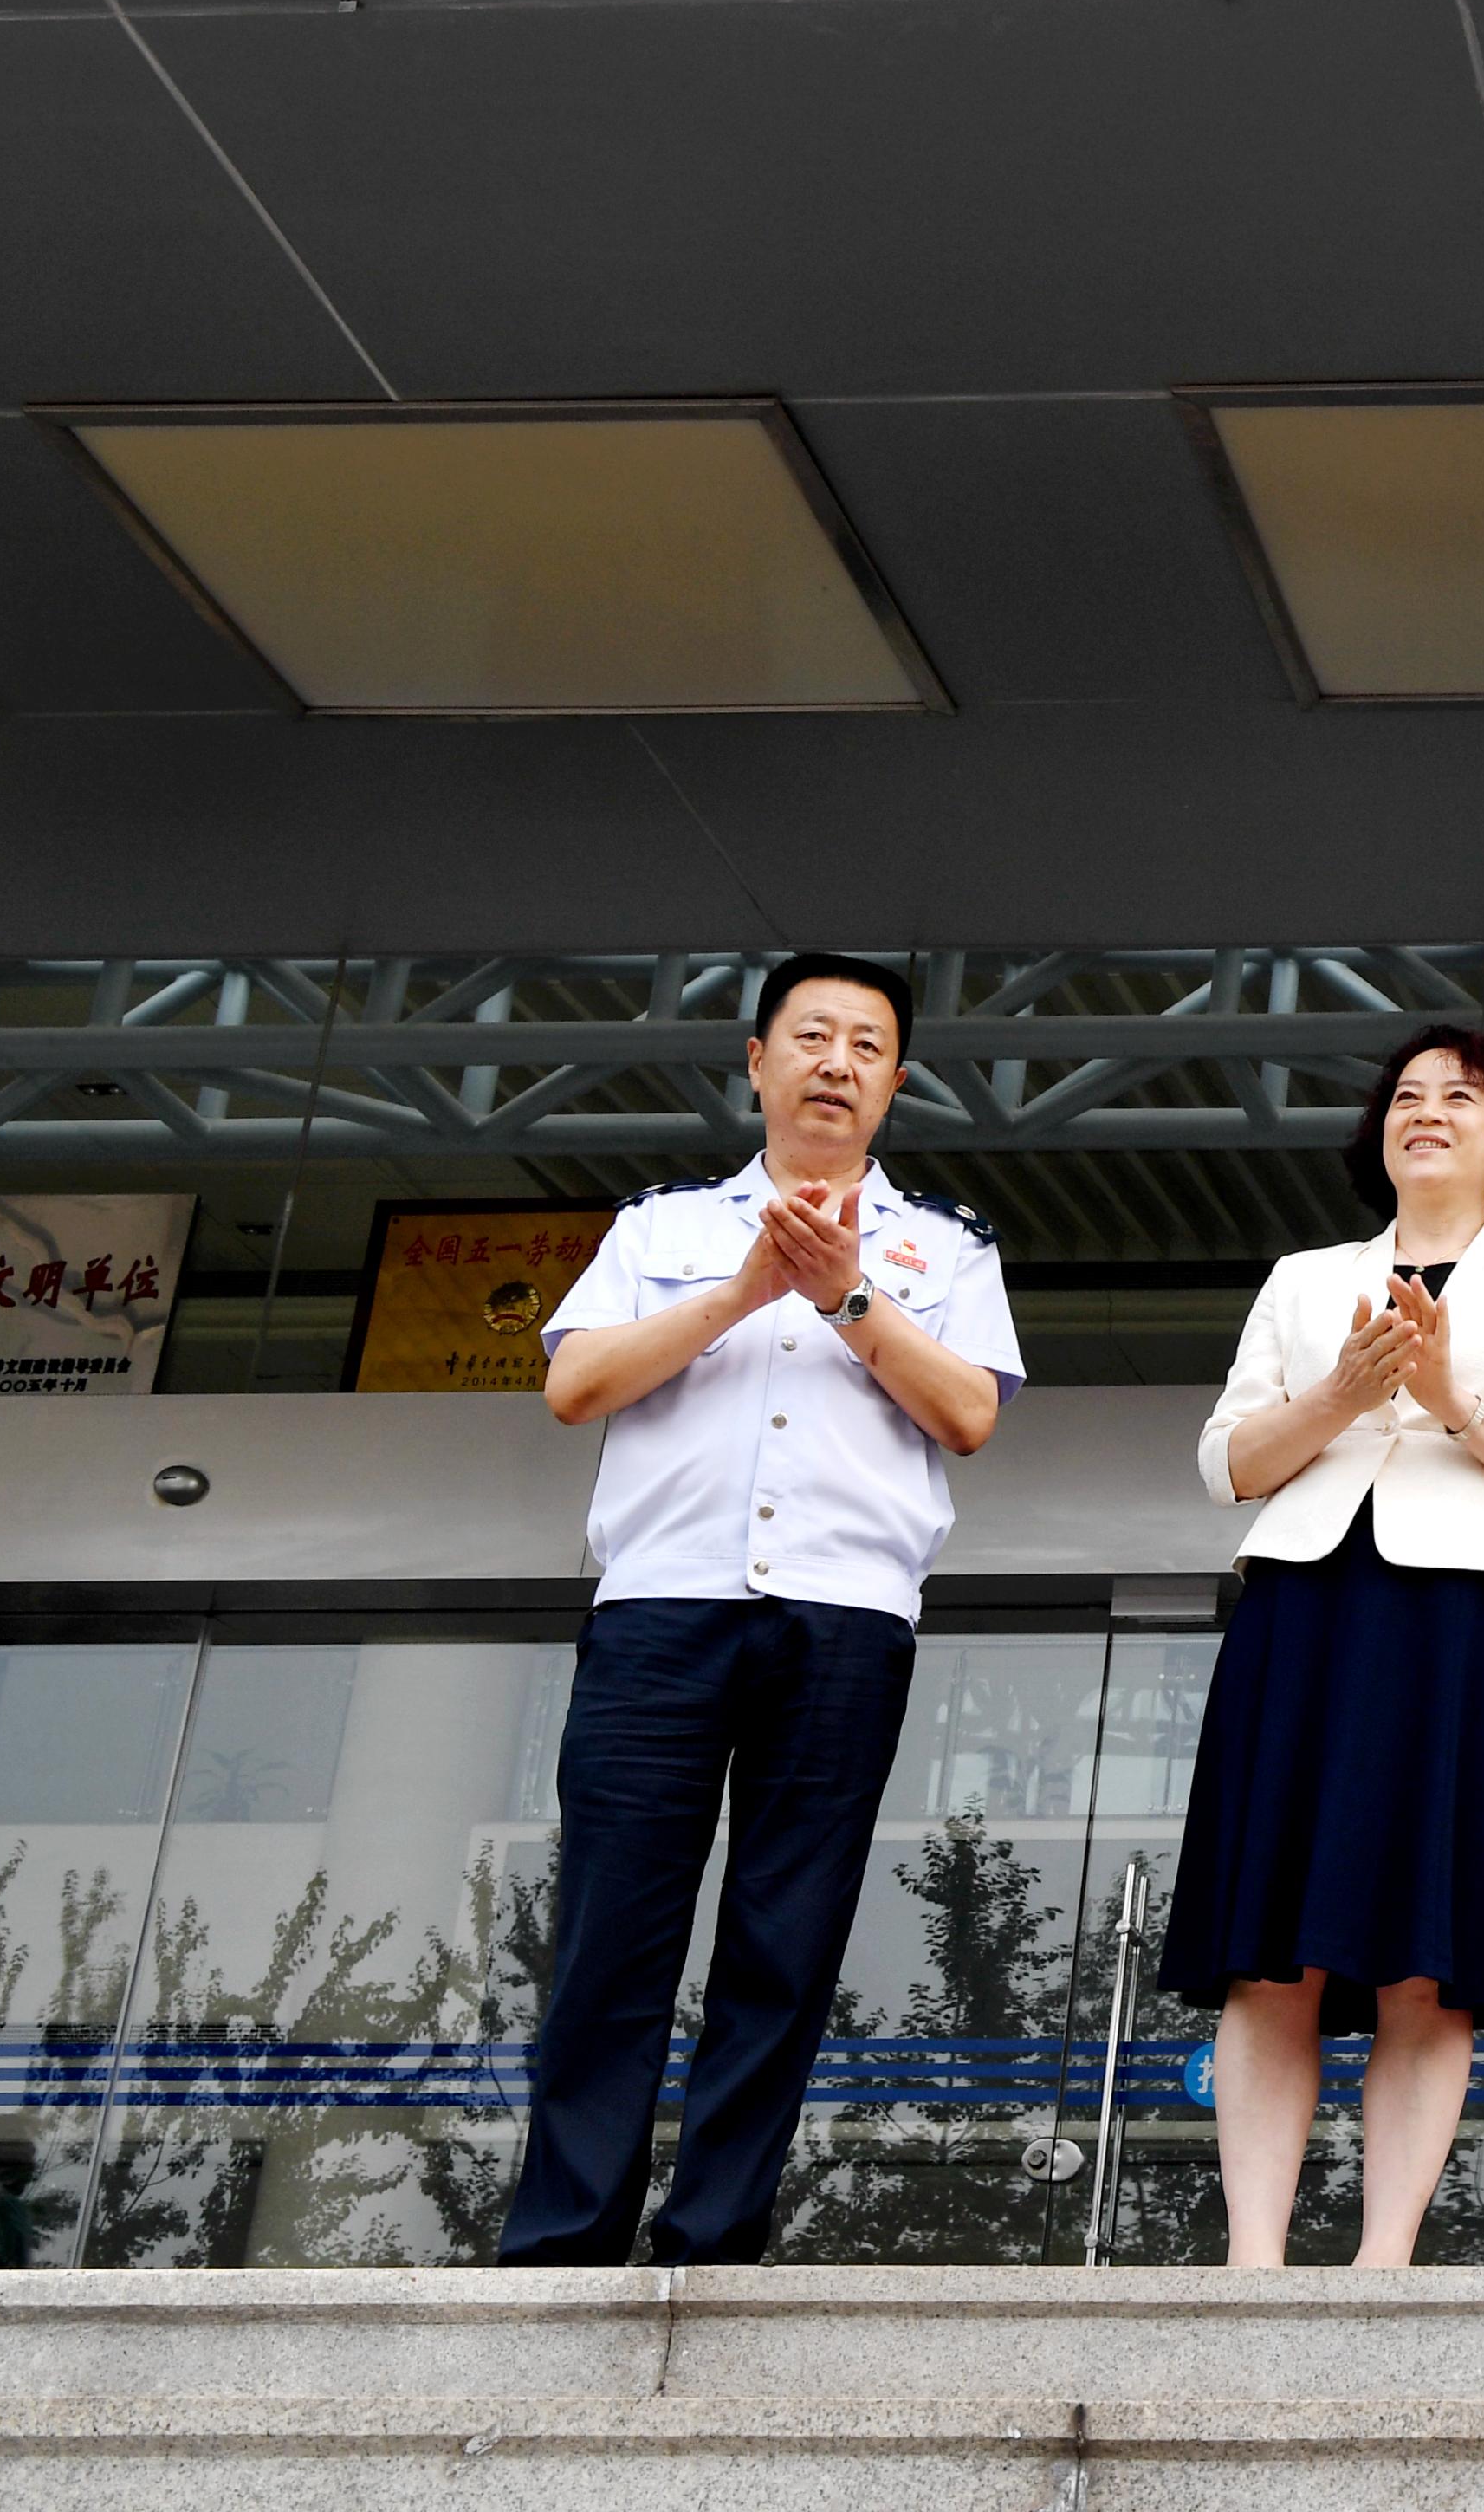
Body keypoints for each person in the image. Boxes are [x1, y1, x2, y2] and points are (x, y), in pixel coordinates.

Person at [502, 952, 1021, 2265]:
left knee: (785, 1940)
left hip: (845, 1622)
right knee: (612, 1930)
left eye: (865, 1044)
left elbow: (968, 1413)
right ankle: (564, 2239)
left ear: (897, 1082)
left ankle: (714, 2237)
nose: (835, 1062)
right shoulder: (662, 1228)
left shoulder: (947, 1245)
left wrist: (846, 1291)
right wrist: (746, 1286)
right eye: (812, 1035)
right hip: (661, 1611)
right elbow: (575, 1388)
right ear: (757, 1059)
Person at [1169, 1022, 1484, 2265]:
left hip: (1453, 1622)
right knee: (1272, 1955)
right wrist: (1344, 1397)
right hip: (1305, 1610)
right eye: (1406, 1096)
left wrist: (1448, 1399)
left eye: (1458, 1097)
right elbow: (1228, 1462)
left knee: (1429, 1957)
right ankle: (1254, 2257)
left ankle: (1383, 2264)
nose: (1425, 1112)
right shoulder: (1308, 1277)